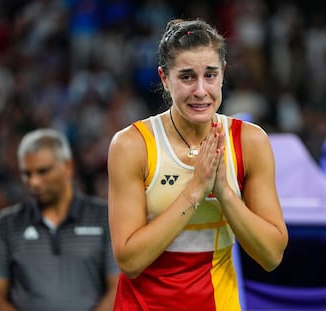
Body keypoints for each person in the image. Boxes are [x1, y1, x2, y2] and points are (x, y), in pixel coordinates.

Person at [107, 18, 288, 311]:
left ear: (223, 74)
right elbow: (129, 260)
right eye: (187, 77)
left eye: (210, 75)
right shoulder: (133, 145)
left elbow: (272, 255)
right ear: (164, 78)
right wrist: (195, 191)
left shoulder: (249, 142)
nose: (201, 91)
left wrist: (225, 192)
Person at [0, 128, 119, 311]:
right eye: (27, 173)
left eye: (43, 171)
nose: (33, 182)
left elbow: (117, 288)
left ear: (68, 167)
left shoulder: (105, 217)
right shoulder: (4, 225)